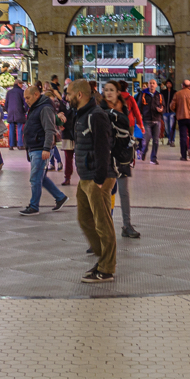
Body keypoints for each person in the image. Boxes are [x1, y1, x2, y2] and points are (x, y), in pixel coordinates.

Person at [67, 79, 116, 282]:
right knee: (84, 219)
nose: (66, 97)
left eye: (69, 93)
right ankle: (102, 256)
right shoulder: (81, 114)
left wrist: (99, 178)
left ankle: (107, 268)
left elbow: (103, 147)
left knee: (103, 223)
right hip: (85, 177)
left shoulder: (96, 116)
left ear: (79, 95)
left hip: (98, 178)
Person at [19, 82, 67, 215]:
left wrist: (46, 148)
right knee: (41, 177)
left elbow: (49, 129)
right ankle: (60, 197)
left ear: (36, 94)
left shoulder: (44, 108)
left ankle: (34, 206)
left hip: (41, 148)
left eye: (28, 98)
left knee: (35, 178)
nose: (26, 101)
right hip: (35, 146)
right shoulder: (35, 106)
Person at [103, 81, 139, 239]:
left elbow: (128, 129)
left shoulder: (123, 108)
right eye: (106, 90)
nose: (108, 93)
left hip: (122, 156)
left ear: (118, 92)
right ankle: (105, 227)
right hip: (107, 156)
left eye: (111, 90)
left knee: (124, 192)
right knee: (107, 192)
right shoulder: (101, 109)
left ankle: (127, 225)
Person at [171, 78, 190, 161]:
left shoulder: (178, 94)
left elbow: (172, 106)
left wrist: (177, 111)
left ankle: (183, 156)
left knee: (183, 137)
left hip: (181, 118)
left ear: (182, 85)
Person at [51, 86, 76, 185]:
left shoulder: (77, 105)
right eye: (67, 94)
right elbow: (58, 115)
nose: (68, 96)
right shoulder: (62, 104)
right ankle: (67, 177)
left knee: (79, 157)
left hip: (76, 133)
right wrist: (60, 124)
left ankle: (84, 177)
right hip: (66, 132)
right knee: (68, 156)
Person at [135, 79, 163, 164]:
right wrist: (139, 118)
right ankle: (144, 151)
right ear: (148, 85)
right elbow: (138, 107)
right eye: (150, 83)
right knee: (146, 139)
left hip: (156, 120)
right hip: (146, 120)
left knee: (155, 140)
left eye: (153, 83)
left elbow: (163, 106)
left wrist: (161, 109)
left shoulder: (159, 95)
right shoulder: (143, 95)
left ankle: (153, 158)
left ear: (156, 85)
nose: (152, 85)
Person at [4, 79, 27, 150]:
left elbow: (6, 104)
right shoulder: (22, 92)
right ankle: (20, 145)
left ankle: (11, 145)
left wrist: (8, 110)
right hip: (19, 112)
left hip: (11, 113)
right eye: (22, 84)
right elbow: (25, 103)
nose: (22, 86)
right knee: (19, 129)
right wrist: (24, 110)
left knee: (11, 128)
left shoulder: (9, 92)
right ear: (19, 84)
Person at [161, 79, 176, 148]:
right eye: (167, 83)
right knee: (166, 128)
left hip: (172, 112)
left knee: (171, 127)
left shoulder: (174, 92)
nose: (168, 85)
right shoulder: (163, 92)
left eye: (170, 83)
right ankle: (169, 139)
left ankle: (172, 140)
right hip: (165, 112)